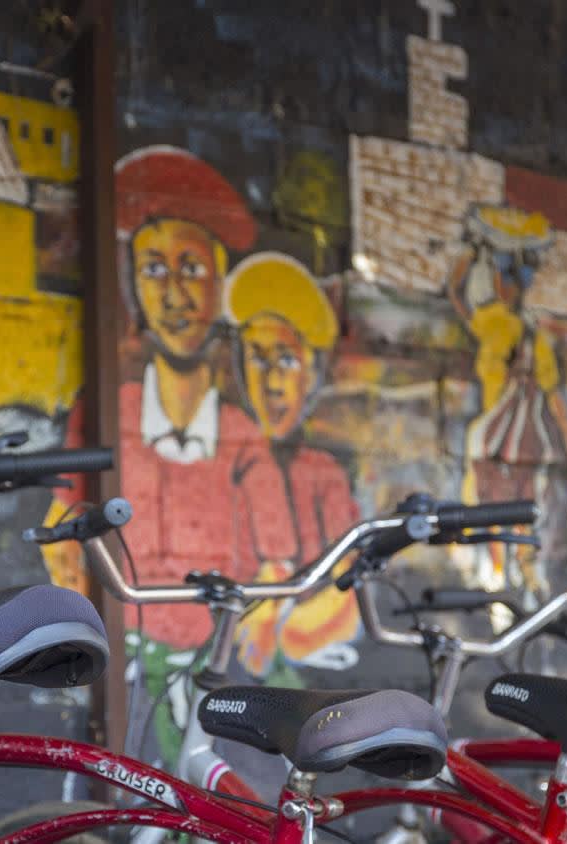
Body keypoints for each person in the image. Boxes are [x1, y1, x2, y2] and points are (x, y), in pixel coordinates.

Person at [41, 146, 267, 652]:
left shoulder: (245, 434)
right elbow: (58, 531)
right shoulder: (106, 410)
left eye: (190, 269)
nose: (172, 296)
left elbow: (277, 566)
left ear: (220, 281)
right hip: (126, 653)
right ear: (133, 288)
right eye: (153, 270)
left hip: (223, 651)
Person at [223, 253, 361, 676]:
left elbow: (347, 590)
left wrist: (283, 625)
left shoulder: (324, 473)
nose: (272, 383)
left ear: (312, 374)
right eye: (258, 358)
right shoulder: (228, 461)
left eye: (287, 360)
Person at [446, 206, 567, 595]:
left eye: (519, 273)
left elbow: (557, 403)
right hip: (498, 447)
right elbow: (458, 295)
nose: (512, 283)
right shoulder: (496, 323)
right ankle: (510, 579)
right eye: (506, 270)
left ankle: (523, 579)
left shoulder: (520, 333)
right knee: (503, 519)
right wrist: (472, 251)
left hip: (517, 448)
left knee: (517, 518)